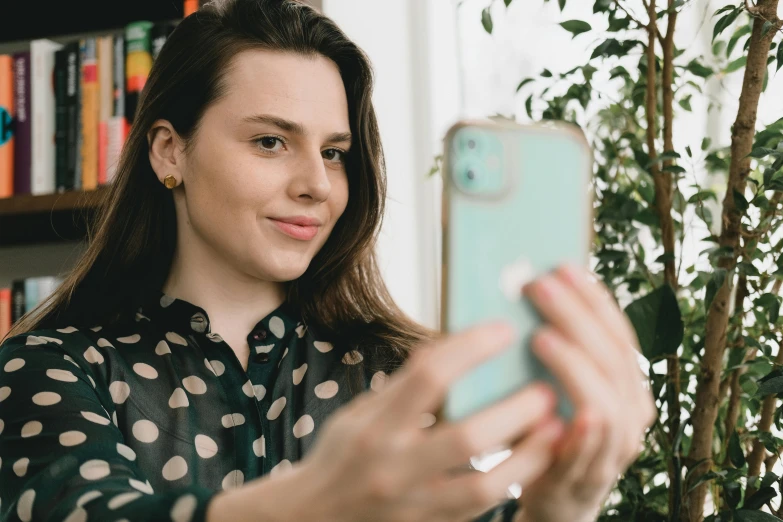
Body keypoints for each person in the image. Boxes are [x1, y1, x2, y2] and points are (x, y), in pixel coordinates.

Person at [0, 0, 656, 521]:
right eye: (269, 141)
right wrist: (314, 502)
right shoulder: (49, 368)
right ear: (170, 152)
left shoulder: (399, 378)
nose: (317, 183)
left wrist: (558, 511)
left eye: (335, 152)